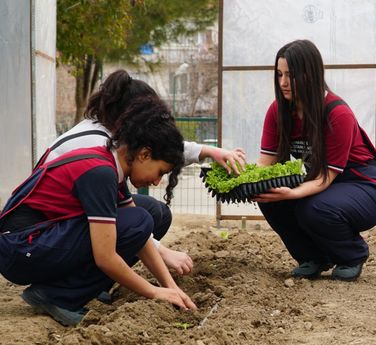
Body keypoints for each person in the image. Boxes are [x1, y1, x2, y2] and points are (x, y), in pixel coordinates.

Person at [0, 96, 196, 326]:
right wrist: (154, 292)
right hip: (22, 249)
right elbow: (106, 257)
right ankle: (57, 296)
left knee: (145, 218)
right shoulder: (100, 172)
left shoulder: (111, 165)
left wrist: (170, 288)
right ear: (144, 154)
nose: (156, 181)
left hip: (34, 242)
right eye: (160, 171)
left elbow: (142, 239)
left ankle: (71, 289)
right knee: (139, 220)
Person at [39, 70, 246, 276]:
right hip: (48, 231)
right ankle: (65, 290)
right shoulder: (99, 146)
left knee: (155, 213)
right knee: (138, 220)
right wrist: (161, 253)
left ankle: (88, 283)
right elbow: (156, 150)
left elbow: (161, 148)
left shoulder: (110, 135)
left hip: (66, 222)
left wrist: (209, 151)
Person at [254, 40, 376, 281]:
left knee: (313, 208)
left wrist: (292, 194)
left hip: (364, 186)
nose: (283, 82)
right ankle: (313, 257)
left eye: (291, 75)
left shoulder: (337, 113)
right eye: (279, 74)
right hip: (323, 186)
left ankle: (352, 254)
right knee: (268, 197)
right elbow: (265, 164)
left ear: (310, 74)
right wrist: (246, 183)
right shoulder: (278, 111)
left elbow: (326, 177)